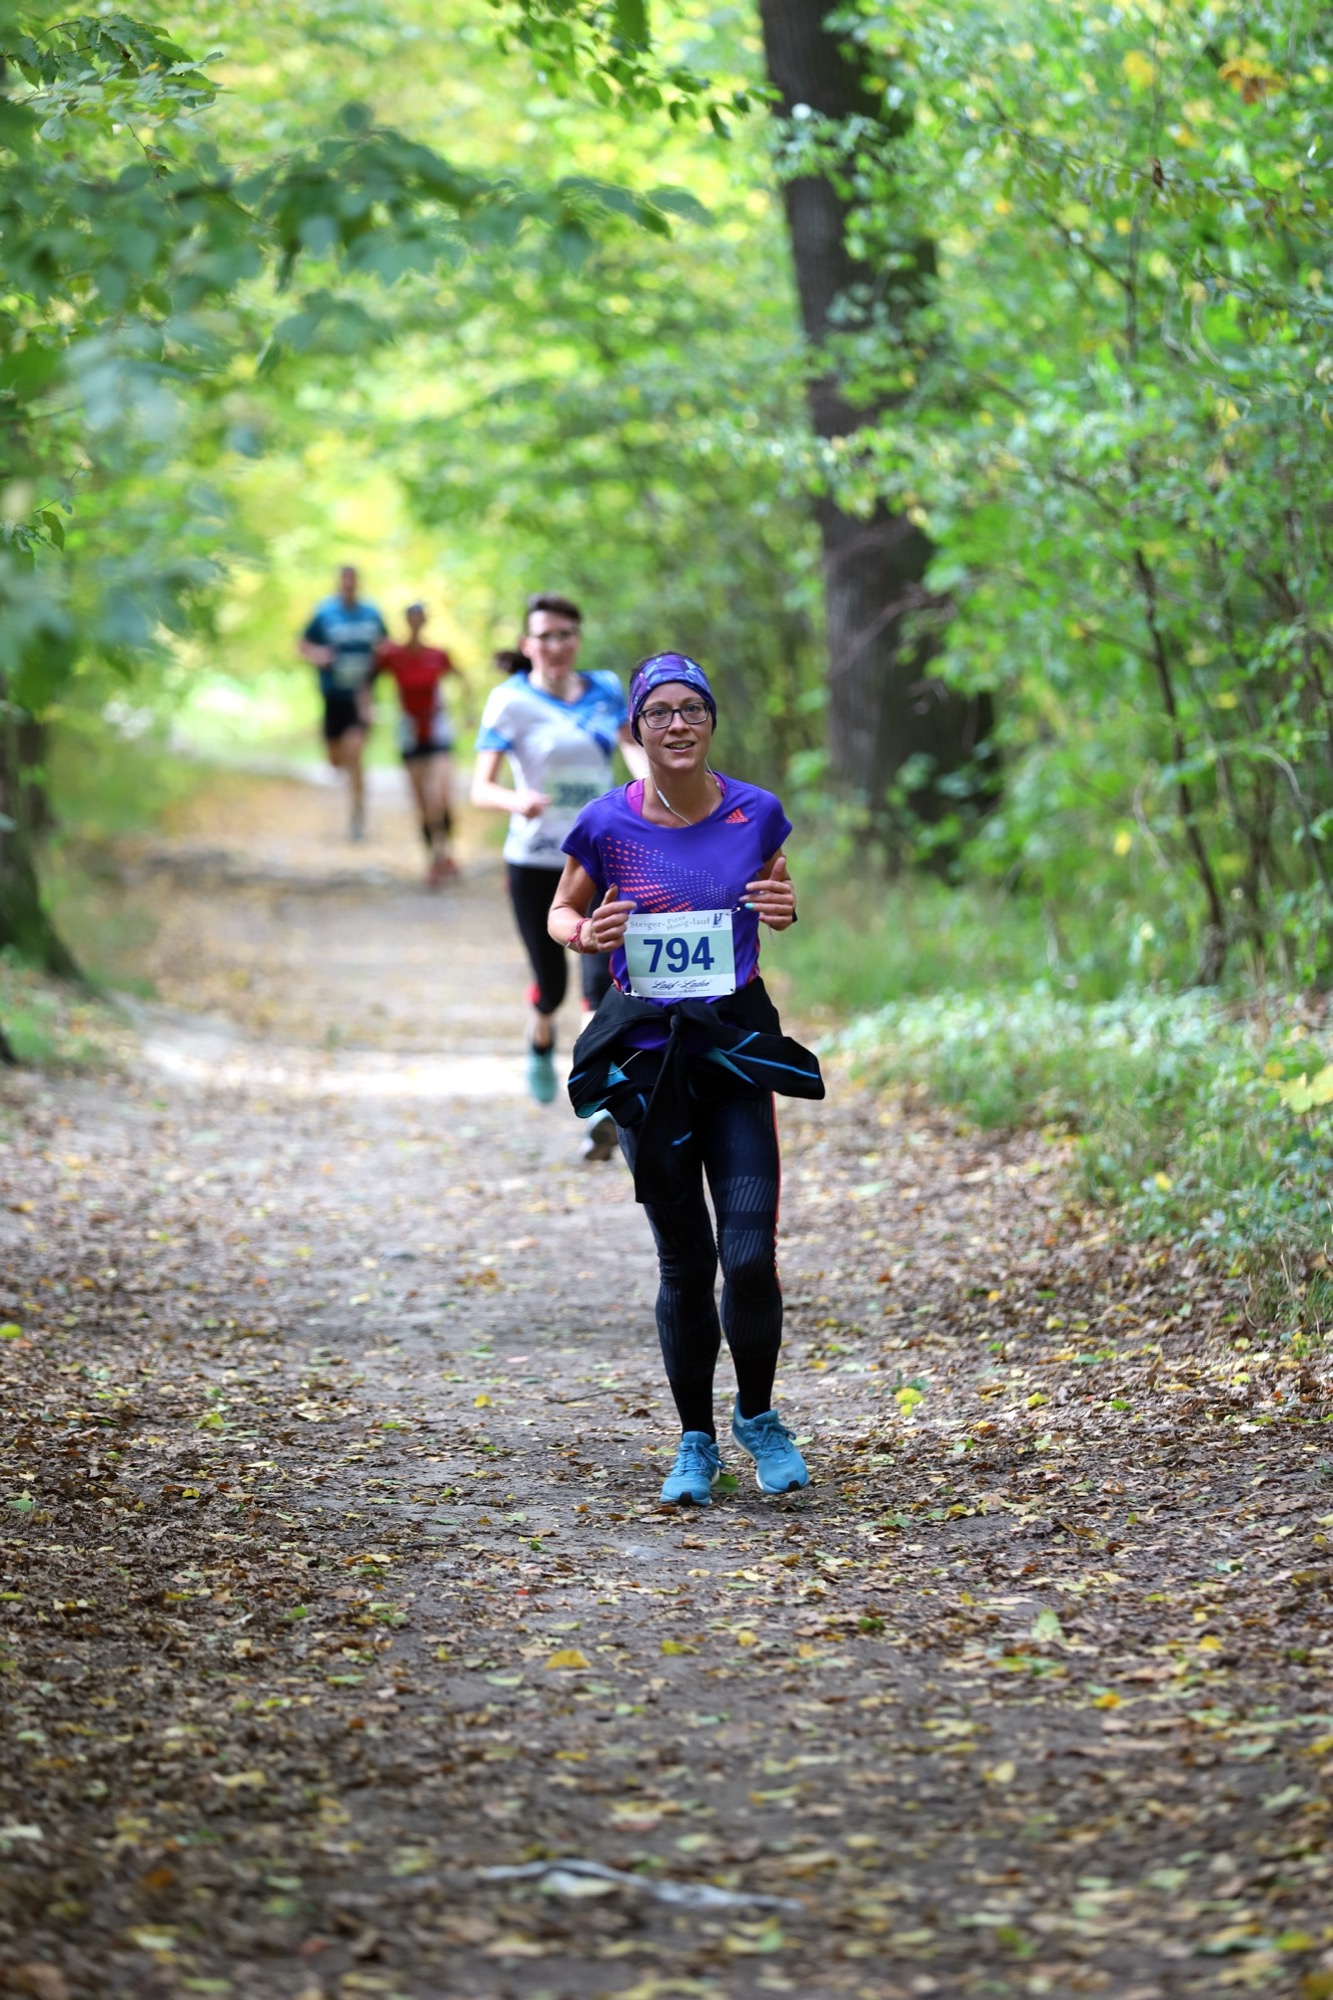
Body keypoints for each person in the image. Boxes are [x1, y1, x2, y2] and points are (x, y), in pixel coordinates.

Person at [548, 652, 825, 1505]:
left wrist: (784, 908)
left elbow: (777, 896)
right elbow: (561, 909)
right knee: (685, 1261)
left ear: (710, 721)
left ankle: (757, 1417)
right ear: (636, 728)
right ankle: (694, 1442)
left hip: (731, 1047)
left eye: (692, 709)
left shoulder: (755, 811)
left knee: (747, 1256)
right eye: (659, 711)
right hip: (645, 1060)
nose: (677, 724)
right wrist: (583, 934)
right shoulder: (605, 823)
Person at [471, 594, 648, 1143]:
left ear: (578, 640)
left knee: (601, 979)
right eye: (545, 636)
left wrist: (654, 788)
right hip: (535, 858)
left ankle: (599, 1100)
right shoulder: (509, 700)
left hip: (599, 856)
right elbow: (480, 788)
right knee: (551, 983)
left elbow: (632, 750)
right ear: (528, 645)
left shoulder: (605, 689)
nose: (556, 645)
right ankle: (541, 1038)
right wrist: (516, 801)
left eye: (566, 634)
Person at [372, 602, 462, 884]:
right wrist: (367, 708)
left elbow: (461, 678)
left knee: (442, 796)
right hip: (409, 729)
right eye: (412, 618)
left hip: (437, 727)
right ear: (406, 621)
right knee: (422, 800)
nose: (416, 622)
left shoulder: (437, 654)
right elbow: (369, 678)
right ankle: (434, 858)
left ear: (424, 621)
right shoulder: (393, 654)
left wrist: (468, 712)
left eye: (420, 618)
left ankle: (447, 851)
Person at [298, 565, 387, 842]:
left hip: (360, 698)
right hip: (332, 697)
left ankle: (358, 813)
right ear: (338, 583)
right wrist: (318, 654)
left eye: (352, 579)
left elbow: (386, 647)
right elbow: (302, 644)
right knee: (336, 761)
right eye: (344, 579)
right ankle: (344, 769)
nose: (348, 584)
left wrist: (378, 669)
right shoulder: (324, 613)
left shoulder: (372, 614)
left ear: (358, 583)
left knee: (356, 752)